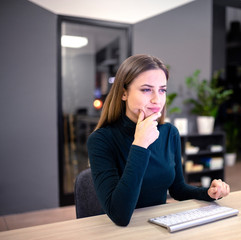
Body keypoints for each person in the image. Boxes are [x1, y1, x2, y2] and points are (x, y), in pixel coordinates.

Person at [87, 54, 230, 226]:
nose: (157, 99)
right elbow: (120, 215)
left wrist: (208, 193)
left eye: (162, 90)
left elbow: (178, 189)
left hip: (159, 226)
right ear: (124, 93)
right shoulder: (101, 140)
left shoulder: (169, 133)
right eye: (146, 89)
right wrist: (140, 144)